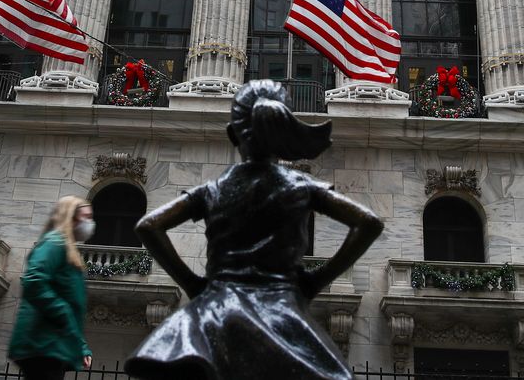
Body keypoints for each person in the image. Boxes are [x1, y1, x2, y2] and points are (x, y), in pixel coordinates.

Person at [125, 80, 384, 380]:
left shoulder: (211, 190)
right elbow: (369, 222)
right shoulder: (302, 186)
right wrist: (316, 281)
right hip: (280, 311)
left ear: (232, 134)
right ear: (283, 132)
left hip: (215, 311)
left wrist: (193, 285)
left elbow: (149, 225)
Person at [9, 196, 95, 380]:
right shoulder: (54, 243)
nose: (90, 223)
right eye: (86, 217)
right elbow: (34, 281)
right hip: (43, 345)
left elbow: (71, 309)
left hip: (52, 345)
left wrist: (81, 346)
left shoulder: (67, 249)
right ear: (71, 217)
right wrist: (62, 311)